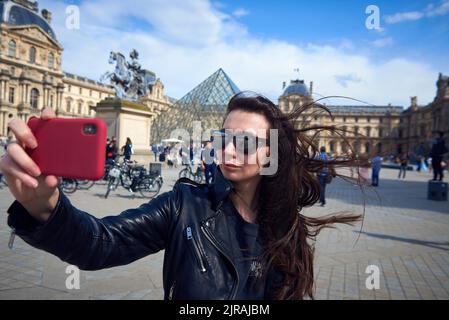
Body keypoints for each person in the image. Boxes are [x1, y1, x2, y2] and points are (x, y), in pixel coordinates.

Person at [0, 93, 363, 300]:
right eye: (223, 138)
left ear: (270, 154)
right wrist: (45, 208)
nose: (229, 152)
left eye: (247, 143)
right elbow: (100, 243)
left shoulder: (289, 226)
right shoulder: (183, 206)